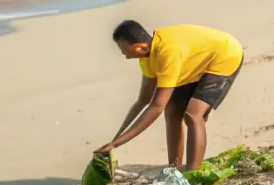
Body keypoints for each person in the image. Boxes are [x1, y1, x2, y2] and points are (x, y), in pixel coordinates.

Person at [97, 21, 245, 172]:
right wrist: (115, 140)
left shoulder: (167, 53)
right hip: (192, 63)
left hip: (224, 55)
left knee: (193, 115)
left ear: (140, 47)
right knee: (172, 112)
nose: (125, 56)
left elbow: (156, 106)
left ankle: (193, 173)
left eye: (124, 51)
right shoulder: (146, 59)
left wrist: (117, 144)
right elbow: (143, 101)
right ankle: (174, 169)